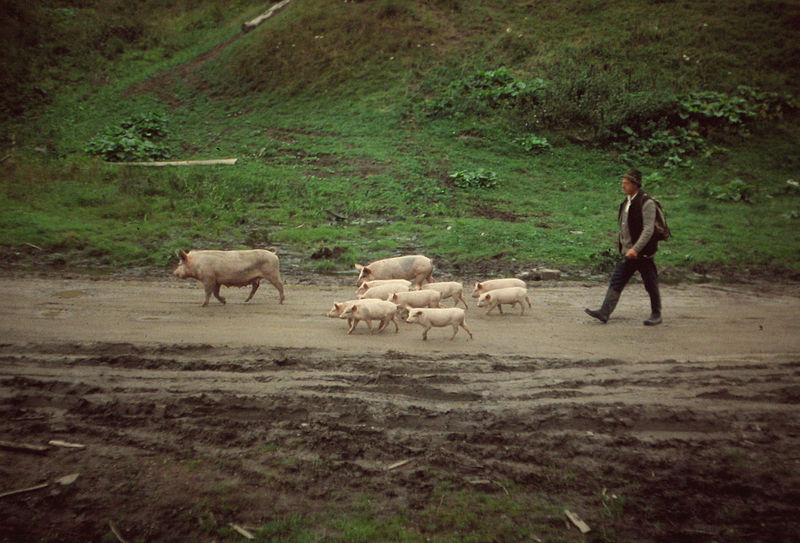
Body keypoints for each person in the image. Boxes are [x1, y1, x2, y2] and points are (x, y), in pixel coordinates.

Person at [585, 168, 662, 326]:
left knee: (650, 283)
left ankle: (656, 314)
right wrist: (624, 248)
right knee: (617, 280)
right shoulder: (626, 202)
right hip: (629, 253)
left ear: (635, 184)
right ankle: (604, 312)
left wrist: (636, 249)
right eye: (623, 183)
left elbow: (648, 230)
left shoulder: (647, 203)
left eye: (626, 183)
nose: (623, 186)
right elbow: (624, 227)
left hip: (643, 253)